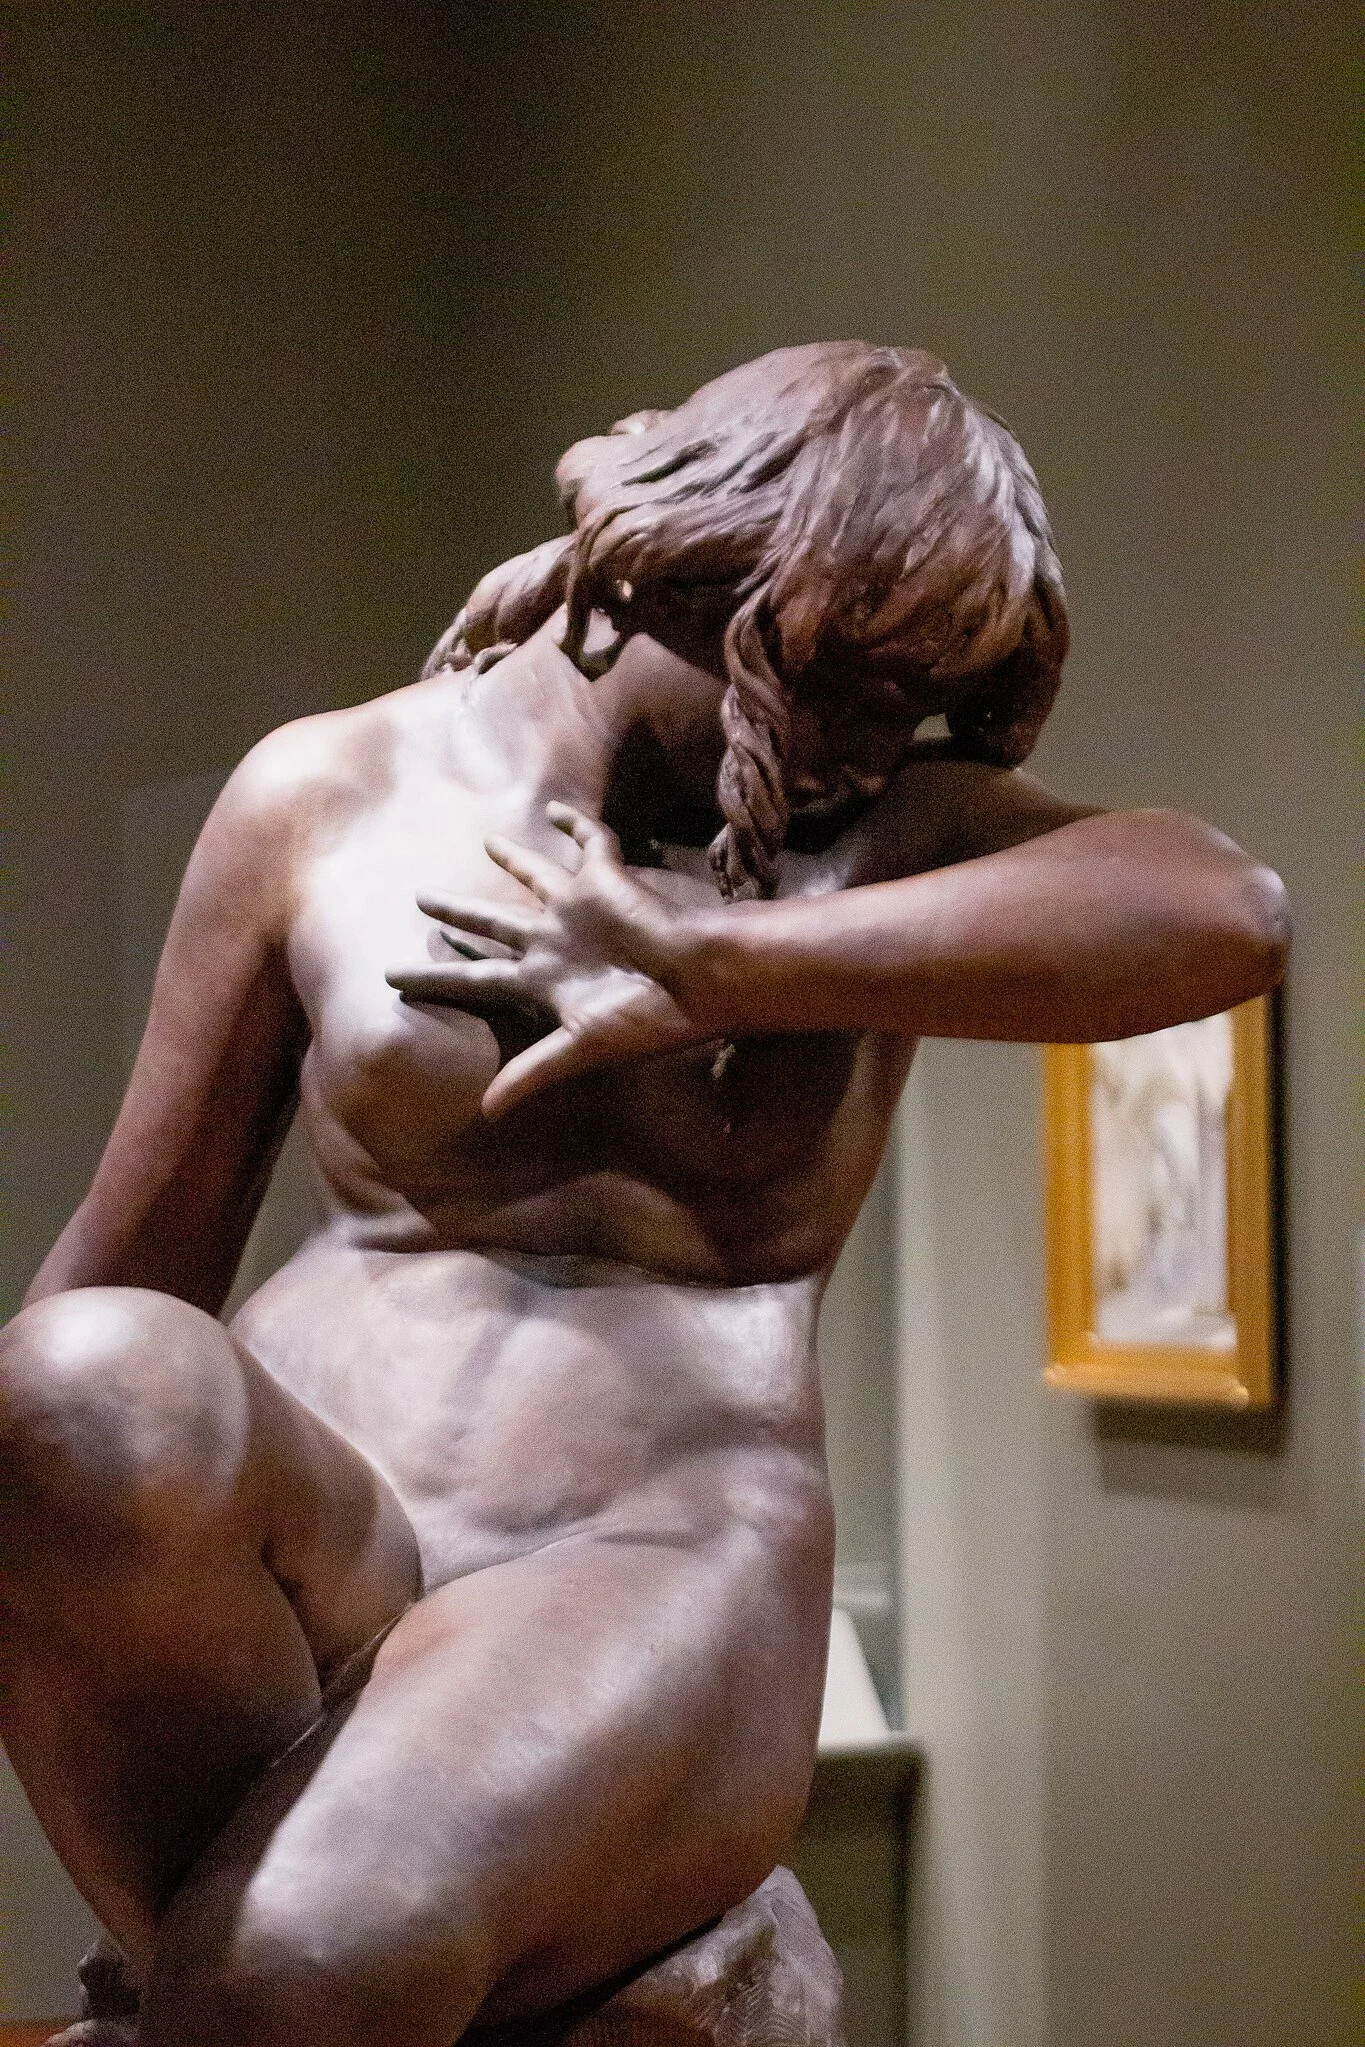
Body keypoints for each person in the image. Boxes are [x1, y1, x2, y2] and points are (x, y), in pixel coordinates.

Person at [0, 342, 1288, 2046]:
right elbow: (130, 1265)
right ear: (671, 566)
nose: (860, 743)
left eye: (908, 704)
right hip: (321, 1563)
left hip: (651, 1565)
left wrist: (722, 964)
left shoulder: (878, 846)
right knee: (75, 1386)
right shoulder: (326, 796)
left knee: (302, 1956)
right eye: (831, 679)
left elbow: (1220, 908)